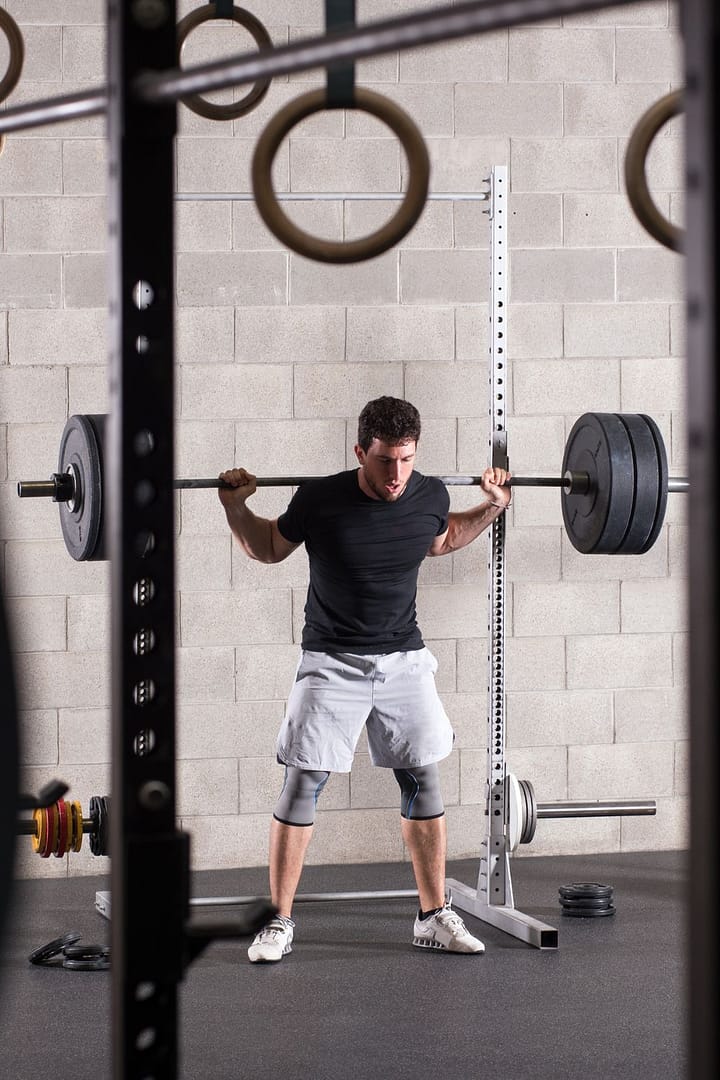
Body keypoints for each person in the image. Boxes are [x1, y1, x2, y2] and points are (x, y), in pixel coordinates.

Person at [218, 396, 511, 963]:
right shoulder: (321, 498)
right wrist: (235, 507)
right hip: (331, 661)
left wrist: (491, 507)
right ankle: (278, 921)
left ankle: (432, 916)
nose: (396, 474)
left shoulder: (429, 493)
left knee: (423, 779)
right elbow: (269, 547)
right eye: (384, 461)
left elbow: (442, 537)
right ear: (360, 452)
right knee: (305, 783)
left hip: (404, 658)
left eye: (405, 460)